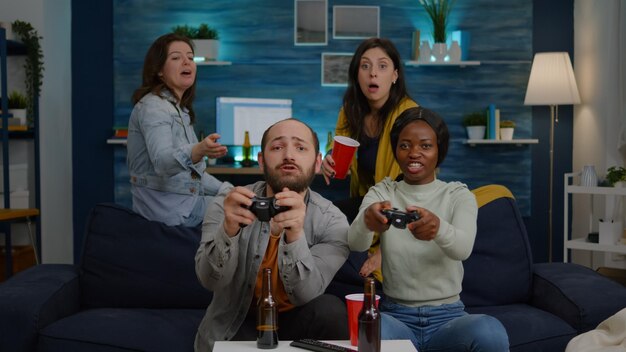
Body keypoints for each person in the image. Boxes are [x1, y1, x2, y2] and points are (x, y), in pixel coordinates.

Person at [348, 106, 510, 351]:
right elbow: (356, 243)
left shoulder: (458, 195)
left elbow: (463, 249)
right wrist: (367, 222)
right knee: (370, 328)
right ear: (395, 150)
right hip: (395, 315)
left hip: (449, 318)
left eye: (425, 146)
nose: (414, 153)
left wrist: (438, 229)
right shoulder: (383, 192)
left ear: (439, 151)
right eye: (405, 145)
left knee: (490, 330)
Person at [194, 118, 351, 351]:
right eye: (277, 147)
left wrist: (295, 235)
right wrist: (228, 230)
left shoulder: (332, 220)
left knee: (331, 310)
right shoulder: (227, 205)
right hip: (238, 319)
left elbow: (305, 294)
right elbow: (208, 280)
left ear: (318, 163)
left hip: (297, 318)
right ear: (261, 160)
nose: (288, 155)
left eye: (300, 148)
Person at [320, 37, 418, 281]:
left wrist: (385, 253)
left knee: (323, 216)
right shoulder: (350, 110)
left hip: (401, 208)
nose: (373, 73)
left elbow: (413, 190)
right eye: (365, 66)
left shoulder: (409, 115)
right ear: (357, 74)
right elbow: (339, 148)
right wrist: (329, 160)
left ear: (395, 75)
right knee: (318, 216)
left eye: (382, 66)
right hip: (366, 204)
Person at [126, 33, 229, 227]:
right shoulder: (154, 107)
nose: (186, 62)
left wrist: (228, 190)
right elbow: (163, 164)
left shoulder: (179, 110)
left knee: (243, 204)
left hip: (183, 205)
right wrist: (197, 150)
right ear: (159, 70)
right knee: (245, 214)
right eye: (176, 57)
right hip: (168, 211)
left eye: (190, 57)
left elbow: (193, 177)